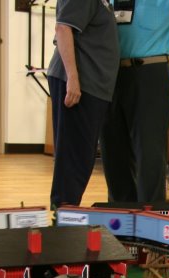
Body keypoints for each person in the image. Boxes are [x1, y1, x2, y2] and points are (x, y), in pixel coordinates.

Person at [102, 0, 169, 206]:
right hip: (110, 74)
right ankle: (121, 210)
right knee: (112, 149)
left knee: (149, 151)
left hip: (150, 73)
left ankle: (151, 213)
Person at [46, 0, 118, 210]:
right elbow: (63, 28)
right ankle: (62, 218)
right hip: (81, 84)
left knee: (80, 160)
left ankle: (65, 215)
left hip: (91, 86)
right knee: (73, 161)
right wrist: (73, 78)